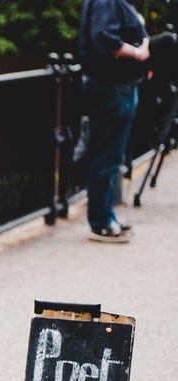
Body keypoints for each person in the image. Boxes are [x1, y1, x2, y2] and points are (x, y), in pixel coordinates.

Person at [78, 0, 150, 242]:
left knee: (109, 156)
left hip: (116, 88)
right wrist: (138, 52)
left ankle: (105, 215)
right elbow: (105, 38)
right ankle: (100, 221)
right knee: (106, 156)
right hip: (112, 89)